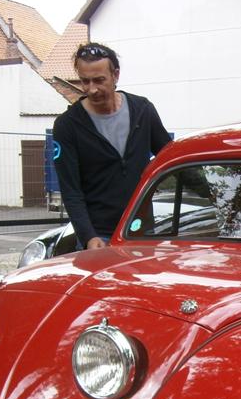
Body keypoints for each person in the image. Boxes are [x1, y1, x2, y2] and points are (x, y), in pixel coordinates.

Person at [53, 42, 172, 249]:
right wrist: (88, 236)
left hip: (142, 233)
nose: (92, 89)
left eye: (99, 80)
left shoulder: (142, 111)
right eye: (85, 81)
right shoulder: (67, 126)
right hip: (99, 237)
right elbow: (71, 191)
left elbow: (170, 158)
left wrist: (213, 196)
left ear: (115, 75)